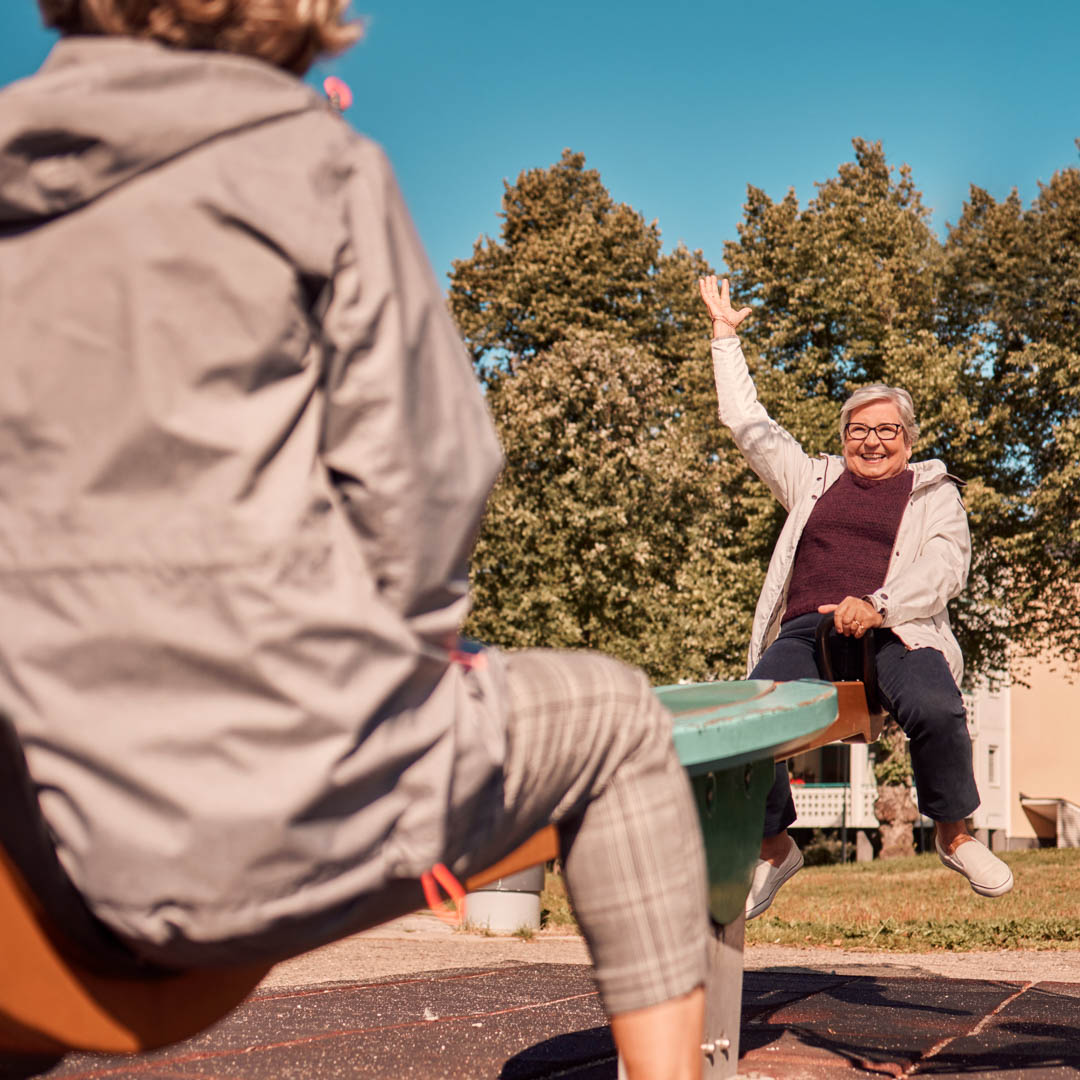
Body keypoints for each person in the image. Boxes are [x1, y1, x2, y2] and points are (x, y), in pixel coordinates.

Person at [0, 4, 711, 1075]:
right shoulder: (311, 166)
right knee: (616, 721)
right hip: (249, 833)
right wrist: (404, 661)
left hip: (35, 864)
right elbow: (431, 484)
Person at [698, 275, 1013, 919]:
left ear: (908, 438)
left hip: (898, 631)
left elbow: (946, 566)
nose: (872, 441)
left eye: (887, 429)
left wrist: (878, 604)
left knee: (938, 707)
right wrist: (725, 337)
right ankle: (773, 846)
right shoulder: (811, 479)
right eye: (858, 430)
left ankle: (954, 834)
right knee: (747, 720)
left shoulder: (934, 494)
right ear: (842, 437)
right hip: (807, 634)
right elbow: (747, 424)